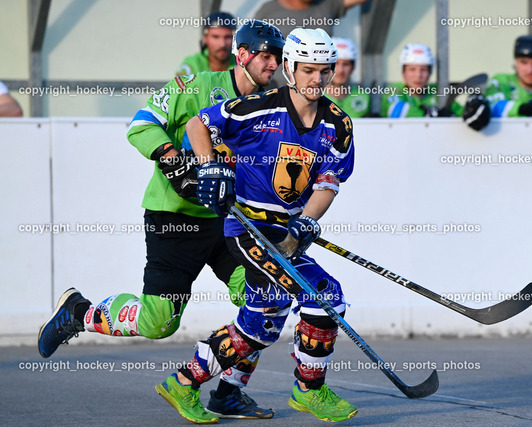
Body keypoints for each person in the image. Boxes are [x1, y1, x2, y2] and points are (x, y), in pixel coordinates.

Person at [36, 21, 285, 422]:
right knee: (158, 323)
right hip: (176, 218)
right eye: (266, 55)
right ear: (242, 55)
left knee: (265, 302)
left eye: (278, 57)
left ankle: (229, 392)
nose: (273, 64)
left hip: (231, 223)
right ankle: (78, 312)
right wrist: (171, 156)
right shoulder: (196, 82)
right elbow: (140, 125)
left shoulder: (274, 106)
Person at [156, 28, 357, 423]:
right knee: (326, 296)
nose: (317, 79)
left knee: (261, 324)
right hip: (249, 228)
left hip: (287, 232)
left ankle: (184, 382)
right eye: (308, 70)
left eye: (325, 71)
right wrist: (208, 163)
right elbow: (198, 125)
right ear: (290, 68)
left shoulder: (338, 124)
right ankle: (308, 390)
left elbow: (328, 184)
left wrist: (306, 225)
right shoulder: (258, 107)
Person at [381, 43, 465, 118]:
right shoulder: (394, 89)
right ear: (403, 72)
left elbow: (462, 113)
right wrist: (433, 115)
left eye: (424, 70)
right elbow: (396, 111)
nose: (418, 75)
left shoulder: (436, 91)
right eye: (412, 69)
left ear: (430, 72)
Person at [176, 11, 236, 76]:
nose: (222, 44)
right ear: (205, 38)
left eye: (228, 37)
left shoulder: (242, 64)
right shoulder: (193, 64)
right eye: (215, 37)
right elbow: (179, 84)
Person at [324, 37, 370, 117]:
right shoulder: (315, 96)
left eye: (346, 64)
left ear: (353, 67)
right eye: (336, 63)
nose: (341, 70)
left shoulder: (363, 97)